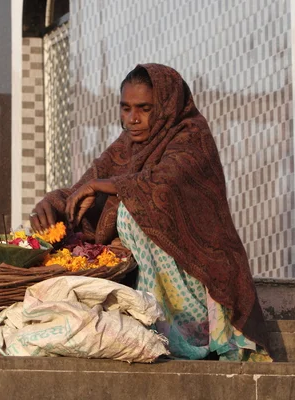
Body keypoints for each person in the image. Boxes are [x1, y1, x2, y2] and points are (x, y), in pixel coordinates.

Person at [30, 63, 271, 361]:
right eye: (126, 108)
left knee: (138, 206)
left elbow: (164, 185)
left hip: (199, 277)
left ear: (166, 106)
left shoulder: (191, 136)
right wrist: (52, 203)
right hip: (148, 287)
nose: (133, 119)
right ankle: (151, 321)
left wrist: (106, 185)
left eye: (144, 108)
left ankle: (184, 336)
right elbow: (86, 188)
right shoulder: (128, 145)